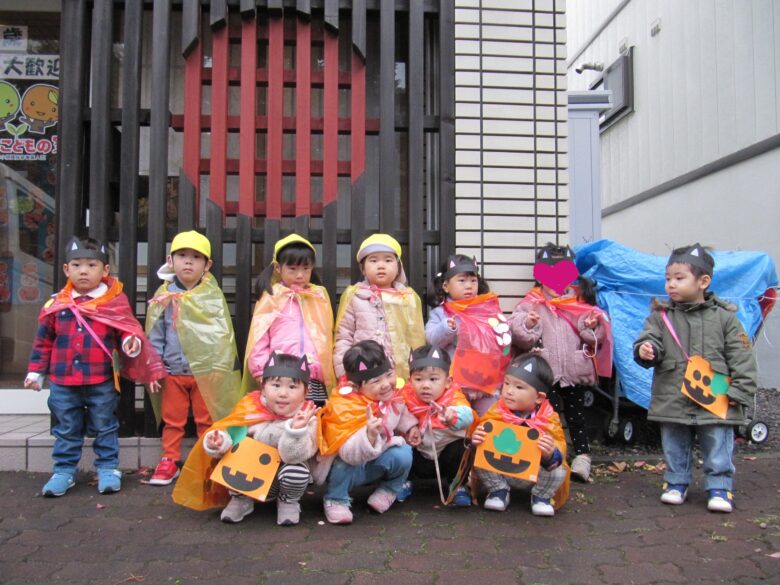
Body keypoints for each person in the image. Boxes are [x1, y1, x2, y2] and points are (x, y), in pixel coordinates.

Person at [24, 236, 164, 496]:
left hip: (101, 380)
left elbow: (126, 331)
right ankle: (64, 471)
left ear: (105, 270)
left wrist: (131, 343)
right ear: (66, 269)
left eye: (91, 265)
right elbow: (43, 342)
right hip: (63, 381)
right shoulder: (56, 304)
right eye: (76, 265)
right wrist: (36, 372)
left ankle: (108, 468)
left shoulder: (113, 301)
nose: (84, 271)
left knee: (105, 425)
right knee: (66, 428)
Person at [634, 243, 757, 513]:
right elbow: (649, 339)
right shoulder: (660, 317)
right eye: (668, 279)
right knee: (674, 442)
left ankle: (720, 486)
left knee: (718, 440)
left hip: (716, 395)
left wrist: (739, 392)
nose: (671, 285)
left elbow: (742, 357)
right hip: (673, 393)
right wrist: (646, 350)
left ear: (703, 282)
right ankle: (676, 481)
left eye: (679, 278)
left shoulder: (725, 317)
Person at [174, 353, 319, 525]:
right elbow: (233, 434)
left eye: (292, 387)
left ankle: (288, 502)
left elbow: (292, 456)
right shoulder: (250, 407)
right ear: (263, 386)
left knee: (298, 469)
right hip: (250, 478)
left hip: (281, 480)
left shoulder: (309, 417)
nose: (283, 393)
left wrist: (295, 430)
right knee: (234, 455)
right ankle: (241, 500)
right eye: (276, 385)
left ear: (306, 392)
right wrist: (219, 442)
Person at [508, 243, 612, 483]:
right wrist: (530, 325)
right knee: (547, 417)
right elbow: (520, 337)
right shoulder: (530, 303)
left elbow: (594, 340)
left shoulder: (580, 302)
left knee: (577, 416)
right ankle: (552, 457)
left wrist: (590, 327)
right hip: (544, 374)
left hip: (573, 371)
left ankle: (583, 457)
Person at [145, 230, 242, 485]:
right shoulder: (164, 296)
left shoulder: (211, 296)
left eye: (196, 257)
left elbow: (222, 335)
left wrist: (220, 367)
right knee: (172, 420)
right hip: (172, 371)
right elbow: (155, 334)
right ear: (170, 260)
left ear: (207, 265)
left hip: (205, 373)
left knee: (206, 419)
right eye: (182, 256)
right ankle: (169, 460)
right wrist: (154, 368)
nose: (188, 262)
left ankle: (206, 460)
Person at [316, 340, 419, 524]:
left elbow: (400, 411)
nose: (386, 384)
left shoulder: (390, 395)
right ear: (357, 386)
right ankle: (336, 498)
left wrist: (410, 427)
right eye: (376, 381)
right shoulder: (345, 407)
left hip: (374, 462)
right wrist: (369, 436)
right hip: (348, 466)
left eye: (389, 375)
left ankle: (388, 490)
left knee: (404, 453)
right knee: (342, 461)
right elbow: (347, 453)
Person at [471, 353, 570, 516]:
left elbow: (559, 449)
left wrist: (550, 454)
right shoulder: (497, 410)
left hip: (534, 475)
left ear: (538, 397)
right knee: (480, 458)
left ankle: (541, 496)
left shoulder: (548, 418)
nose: (509, 391)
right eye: (507, 384)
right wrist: (477, 438)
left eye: (518, 387)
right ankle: (498, 490)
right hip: (501, 469)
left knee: (559, 470)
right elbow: (483, 431)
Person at [244, 234, 335, 405]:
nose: (300, 275)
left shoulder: (319, 296)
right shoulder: (271, 297)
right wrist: (262, 370)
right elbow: (259, 338)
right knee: (281, 419)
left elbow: (328, 335)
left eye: (306, 269)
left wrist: (325, 370)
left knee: (314, 418)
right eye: (292, 269)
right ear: (278, 268)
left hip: (314, 376)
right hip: (280, 375)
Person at [333, 234, 425, 381]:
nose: (381, 265)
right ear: (363, 269)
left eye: (388, 260)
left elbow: (416, 339)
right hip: (362, 372)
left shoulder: (407, 298)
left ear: (398, 267)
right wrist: (344, 374)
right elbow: (344, 336)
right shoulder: (354, 296)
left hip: (397, 375)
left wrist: (417, 375)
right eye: (373, 260)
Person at [425, 254, 508, 416]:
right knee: (459, 422)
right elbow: (431, 339)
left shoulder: (488, 309)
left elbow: (502, 339)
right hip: (456, 383)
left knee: (489, 420)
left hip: (487, 382)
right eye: (461, 281)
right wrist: (446, 328)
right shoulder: (441, 313)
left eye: (473, 280)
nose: (468, 286)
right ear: (446, 286)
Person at [398, 345, 475, 506]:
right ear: (410, 380)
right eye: (418, 379)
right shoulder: (405, 396)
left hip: (445, 458)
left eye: (433, 379)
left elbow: (467, 415)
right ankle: (403, 480)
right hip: (418, 457)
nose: (425, 385)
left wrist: (452, 416)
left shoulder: (453, 397)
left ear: (447, 382)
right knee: (399, 445)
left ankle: (458, 486)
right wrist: (409, 428)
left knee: (463, 447)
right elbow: (395, 415)